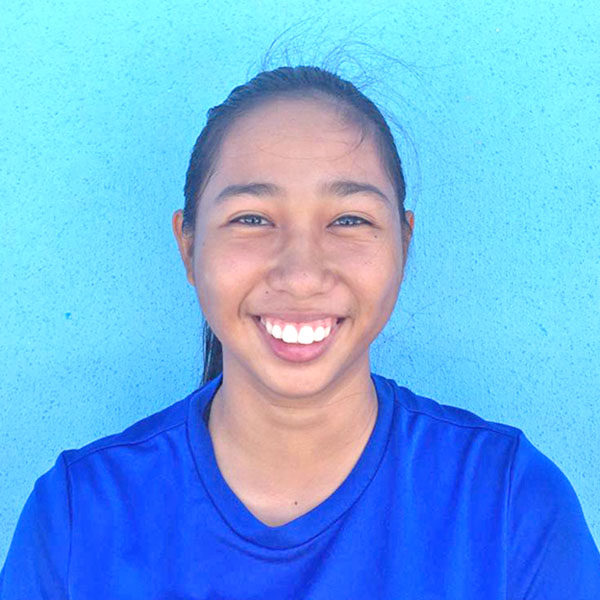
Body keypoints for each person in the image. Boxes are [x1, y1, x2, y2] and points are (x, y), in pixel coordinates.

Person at [1, 64, 599, 599]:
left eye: (349, 219)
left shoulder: (508, 504)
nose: (303, 274)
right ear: (188, 246)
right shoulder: (78, 518)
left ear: (404, 242)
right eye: (252, 218)